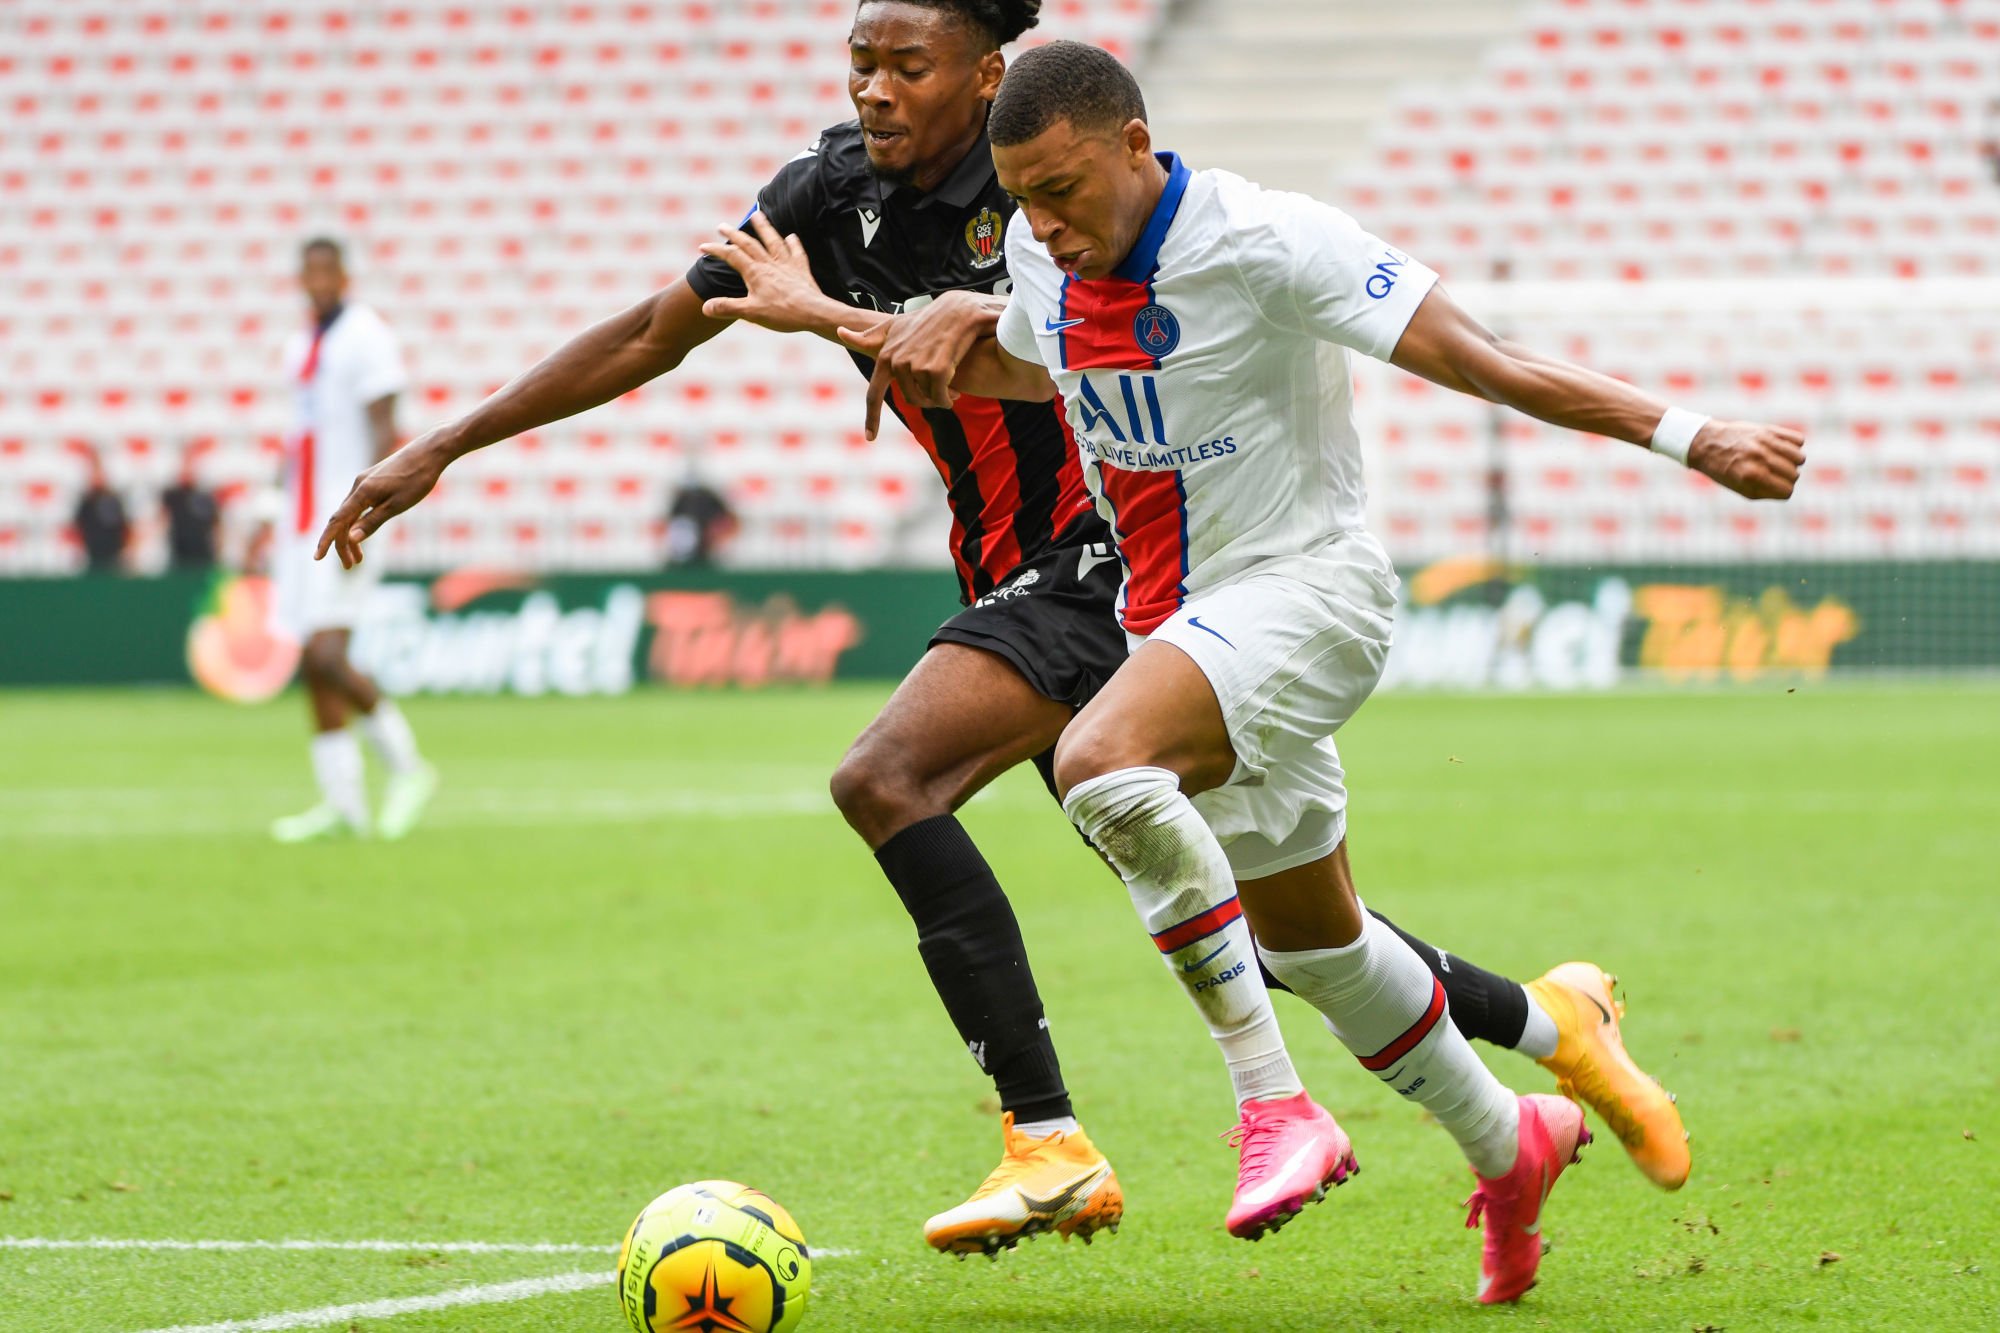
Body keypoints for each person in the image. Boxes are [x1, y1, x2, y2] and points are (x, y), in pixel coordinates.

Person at [313, 0, 1687, 1261]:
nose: (875, 89)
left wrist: (875, 321)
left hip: (1113, 559)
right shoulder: (826, 198)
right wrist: (446, 443)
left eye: (909, 64)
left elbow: (1101, 351)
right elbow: (657, 328)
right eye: (861, 60)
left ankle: (1052, 1137)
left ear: (991, 72)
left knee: (892, 777)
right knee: (1280, 931)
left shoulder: (1065, 187)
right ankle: (1542, 1040)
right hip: (1020, 573)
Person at [846, 40, 1802, 1300]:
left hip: (1307, 593)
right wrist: (877, 322)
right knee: (1316, 948)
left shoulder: (1269, 239)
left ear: (1135, 144)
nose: (1045, 221)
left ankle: (1273, 1108)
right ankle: (1507, 1138)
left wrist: (1693, 435)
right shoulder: (1041, 250)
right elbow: (1039, 361)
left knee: (1098, 765)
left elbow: (1486, 361)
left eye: (1066, 188)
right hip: (1171, 628)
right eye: (1022, 196)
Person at [266, 237, 437, 844]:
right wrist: (273, 504)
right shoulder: (302, 345)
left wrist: (366, 503)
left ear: (344, 274)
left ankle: (409, 769)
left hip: (347, 511)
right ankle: (344, 804)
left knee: (328, 654)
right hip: (303, 516)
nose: (316, 280)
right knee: (312, 661)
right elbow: (302, 435)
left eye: (325, 269)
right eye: (306, 270)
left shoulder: (366, 335)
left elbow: (386, 424)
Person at [162, 446, 220, 571]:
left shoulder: (205, 495)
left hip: (202, 550)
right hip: (180, 549)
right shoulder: (172, 494)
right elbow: (162, 518)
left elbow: (215, 524)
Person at [73, 453, 130, 572]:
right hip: (92, 554)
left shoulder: (113, 499)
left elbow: (123, 525)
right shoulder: (86, 500)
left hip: (113, 555)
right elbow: (78, 525)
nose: (97, 478)